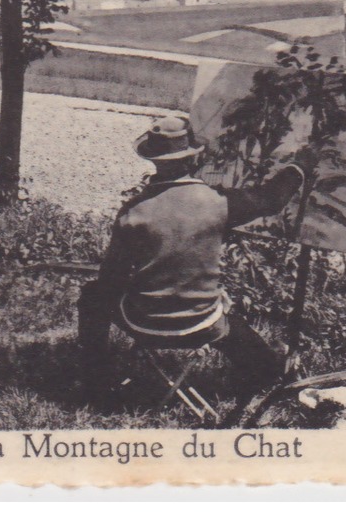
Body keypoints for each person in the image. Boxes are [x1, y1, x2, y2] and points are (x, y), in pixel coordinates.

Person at [77, 113, 306, 403]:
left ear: (153, 159)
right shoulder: (218, 202)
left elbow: (111, 281)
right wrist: (298, 167)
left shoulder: (133, 211)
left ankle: (95, 382)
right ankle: (264, 375)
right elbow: (271, 200)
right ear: (193, 158)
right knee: (251, 349)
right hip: (202, 324)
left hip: (142, 323)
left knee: (92, 295)